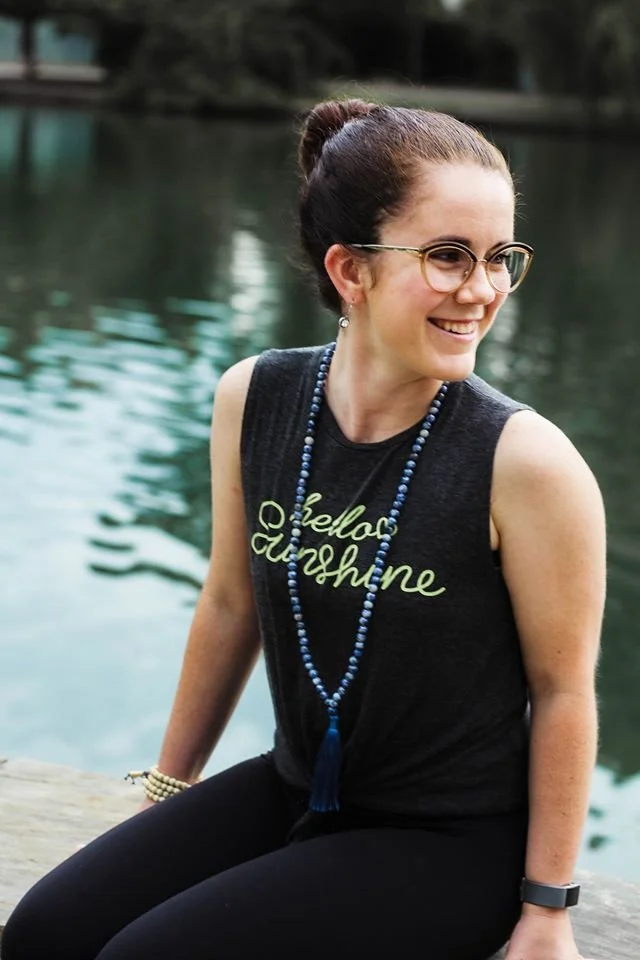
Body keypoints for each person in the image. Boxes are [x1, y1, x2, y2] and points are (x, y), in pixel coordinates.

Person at [1, 99, 605, 960]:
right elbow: (226, 603)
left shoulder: (526, 462)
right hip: (298, 787)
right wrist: (171, 791)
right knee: (44, 933)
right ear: (350, 271)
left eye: (501, 257)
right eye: (446, 257)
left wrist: (546, 910)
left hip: (452, 840)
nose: (482, 289)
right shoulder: (257, 398)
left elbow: (565, 691)